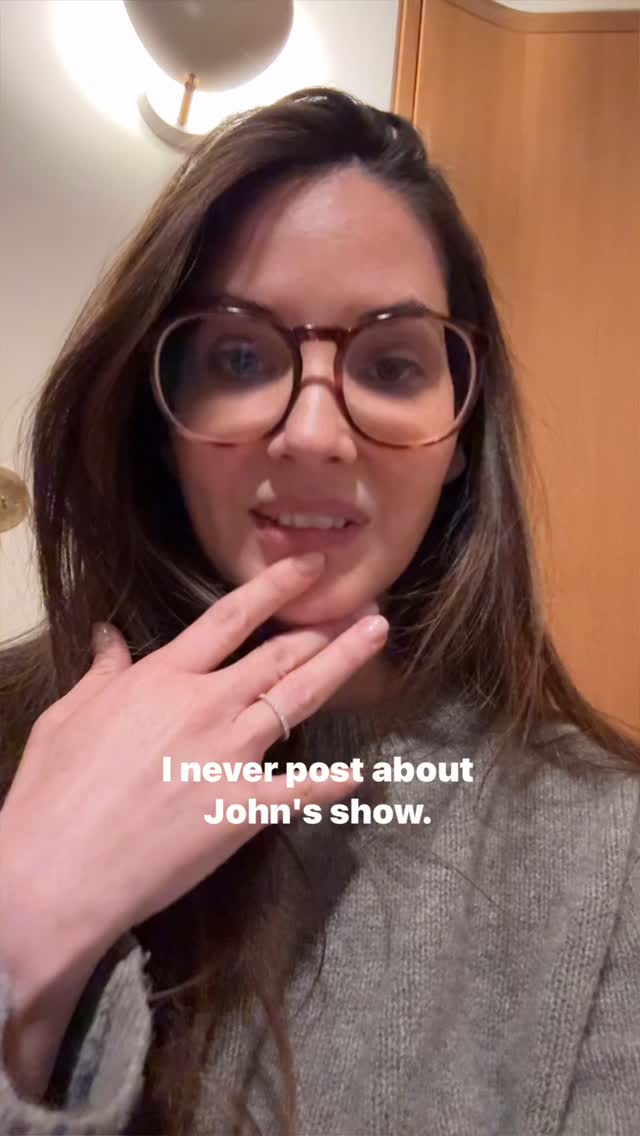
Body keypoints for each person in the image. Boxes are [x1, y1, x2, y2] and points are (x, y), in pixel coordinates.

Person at [0, 86, 638, 1136]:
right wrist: (24, 931)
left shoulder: (608, 843)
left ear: (459, 436)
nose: (313, 433)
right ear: (161, 419)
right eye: (239, 357)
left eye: (391, 365)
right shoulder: (17, 737)